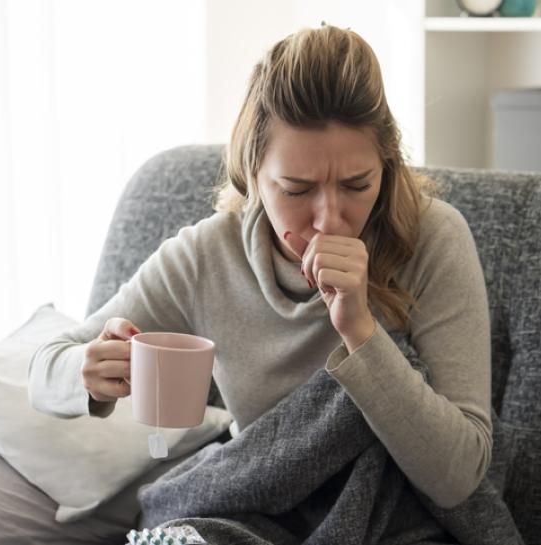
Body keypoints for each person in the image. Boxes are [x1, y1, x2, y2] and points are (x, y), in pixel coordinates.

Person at [29, 24, 492, 510]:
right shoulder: (208, 256)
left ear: (388, 165)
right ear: (251, 176)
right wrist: (88, 372)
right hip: (257, 509)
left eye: (358, 185)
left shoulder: (433, 238)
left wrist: (360, 330)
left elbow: (458, 478)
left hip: (395, 518)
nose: (329, 219)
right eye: (296, 189)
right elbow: (44, 368)